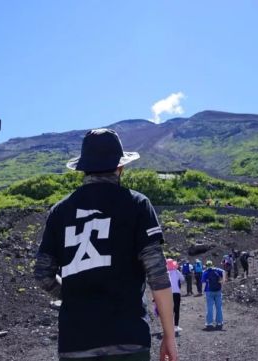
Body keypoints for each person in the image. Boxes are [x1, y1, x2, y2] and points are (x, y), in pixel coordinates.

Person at [34, 129, 178, 361]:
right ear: (120, 167)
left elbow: (42, 274)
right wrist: (169, 336)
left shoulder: (59, 212)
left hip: (75, 341)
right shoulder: (137, 204)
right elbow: (158, 275)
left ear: (83, 168)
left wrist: (73, 294)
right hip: (128, 337)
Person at [201, 260, 224, 330]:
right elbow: (224, 272)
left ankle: (209, 323)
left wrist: (203, 290)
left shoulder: (205, 272)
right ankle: (219, 322)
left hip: (209, 291)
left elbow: (203, 281)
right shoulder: (217, 270)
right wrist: (223, 281)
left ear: (206, 265)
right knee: (219, 307)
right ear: (212, 265)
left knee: (210, 307)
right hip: (218, 290)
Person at [166, 259, 185, 334]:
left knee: (169, 310)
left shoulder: (165, 273)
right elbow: (182, 279)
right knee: (176, 310)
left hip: (167, 293)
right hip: (176, 293)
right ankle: (176, 327)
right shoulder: (176, 271)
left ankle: (168, 327)